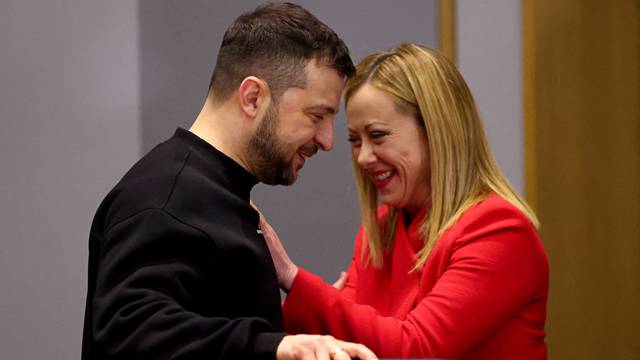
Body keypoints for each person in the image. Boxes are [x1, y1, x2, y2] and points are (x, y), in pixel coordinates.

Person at [81, 3, 377, 360]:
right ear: (253, 97)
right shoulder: (164, 199)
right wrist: (275, 346)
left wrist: (296, 338)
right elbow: (128, 332)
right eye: (317, 115)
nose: (327, 140)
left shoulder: (216, 193)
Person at [261, 44, 549, 359]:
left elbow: (416, 349)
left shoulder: (500, 232)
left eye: (379, 135)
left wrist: (292, 277)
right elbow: (342, 334)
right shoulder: (383, 229)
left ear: (438, 131)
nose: (365, 157)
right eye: (355, 141)